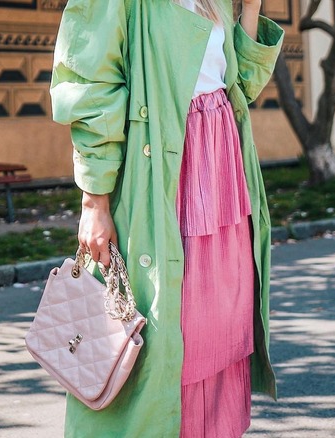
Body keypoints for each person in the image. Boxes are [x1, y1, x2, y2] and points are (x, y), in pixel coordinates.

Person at [50, 0, 283, 436]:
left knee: (221, 328)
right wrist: (94, 201)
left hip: (222, 175)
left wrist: (248, 8)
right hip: (162, 177)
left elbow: (240, 87)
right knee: (170, 338)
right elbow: (90, 83)